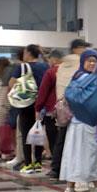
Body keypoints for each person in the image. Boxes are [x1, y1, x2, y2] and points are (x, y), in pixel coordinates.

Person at [59, 49, 97, 192]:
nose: (92, 63)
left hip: (76, 123)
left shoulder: (76, 77)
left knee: (73, 155)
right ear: (83, 61)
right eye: (89, 60)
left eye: (94, 61)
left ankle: (69, 189)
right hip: (93, 123)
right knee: (95, 156)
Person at [51, 40, 91, 180]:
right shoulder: (80, 63)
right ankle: (74, 170)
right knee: (76, 141)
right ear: (76, 49)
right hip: (76, 106)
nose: (85, 50)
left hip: (62, 106)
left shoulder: (62, 65)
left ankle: (56, 168)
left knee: (61, 137)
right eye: (83, 47)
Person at [9, 44, 49, 173]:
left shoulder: (21, 67)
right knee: (38, 131)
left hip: (26, 103)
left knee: (25, 133)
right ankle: (38, 162)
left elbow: (11, 83)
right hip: (41, 104)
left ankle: (28, 163)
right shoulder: (45, 66)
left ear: (28, 53)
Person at [35, 49, 63, 178]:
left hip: (51, 111)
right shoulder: (68, 72)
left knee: (54, 140)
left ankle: (56, 168)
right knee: (63, 140)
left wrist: (38, 108)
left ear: (54, 59)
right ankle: (64, 167)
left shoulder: (51, 72)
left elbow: (43, 92)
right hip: (67, 112)